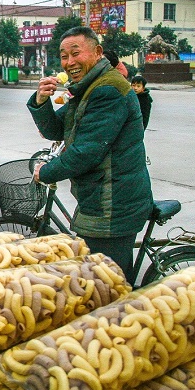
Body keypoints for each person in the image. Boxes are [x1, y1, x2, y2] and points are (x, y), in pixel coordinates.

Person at [27, 26, 153, 284]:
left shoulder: (106, 90)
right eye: (64, 56)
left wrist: (46, 172)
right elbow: (55, 129)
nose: (69, 62)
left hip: (113, 204)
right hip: (101, 199)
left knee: (109, 287)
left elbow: (86, 152)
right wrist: (41, 101)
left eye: (76, 53)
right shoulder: (86, 87)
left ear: (97, 52)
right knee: (102, 281)